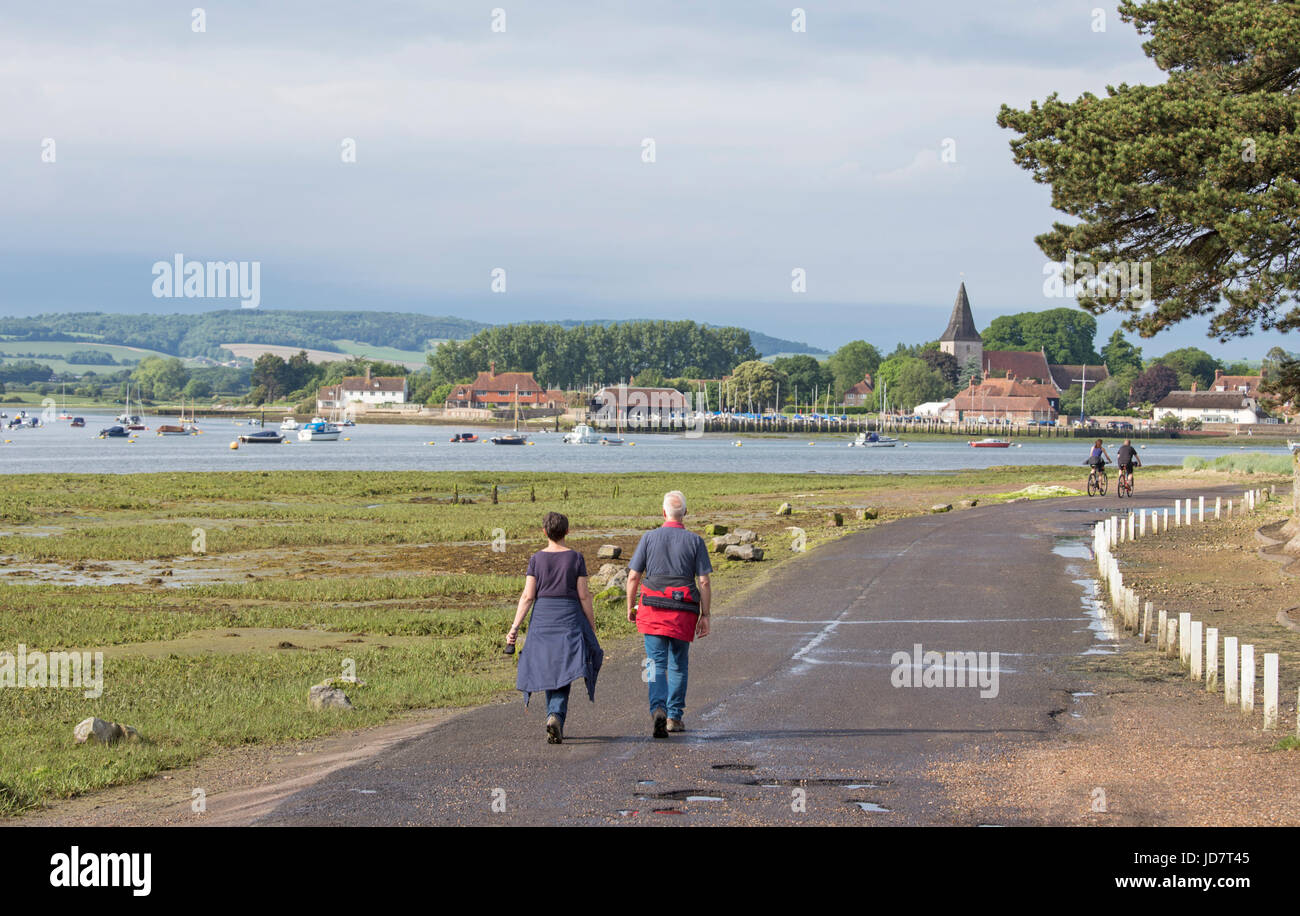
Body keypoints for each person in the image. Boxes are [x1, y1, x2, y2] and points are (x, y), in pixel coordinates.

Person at [507, 512, 603, 744]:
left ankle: (554, 715)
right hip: (569, 618)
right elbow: (584, 595)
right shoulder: (576, 558)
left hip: (542, 620)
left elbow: (528, 596)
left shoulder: (536, 559)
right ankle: (555, 715)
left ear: (544, 532)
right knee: (564, 668)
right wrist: (591, 624)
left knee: (551, 667)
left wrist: (515, 627)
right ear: (567, 531)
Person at [626, 490, 712, 738]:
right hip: (683, 612)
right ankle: (674, 716)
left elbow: (633, 576)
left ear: (663, 512)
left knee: (654, 663)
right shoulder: (695, 541)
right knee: (678, 664)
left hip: (652, 609)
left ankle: (658, 709)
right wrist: (706, 615)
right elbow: (704, 582)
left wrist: (631, 606)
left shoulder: (648, 538)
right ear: (685, 513)